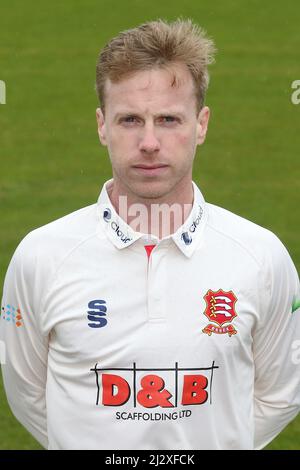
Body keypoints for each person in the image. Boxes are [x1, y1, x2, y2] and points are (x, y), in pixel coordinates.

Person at [0, 18, 299, 451]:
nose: (150, 142)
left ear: (202, 124)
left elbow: (280, 392)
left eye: (169, 119)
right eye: (129, 120)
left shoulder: (261, 256)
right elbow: (28, 393)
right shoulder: (41, 256)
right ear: (102, 125)